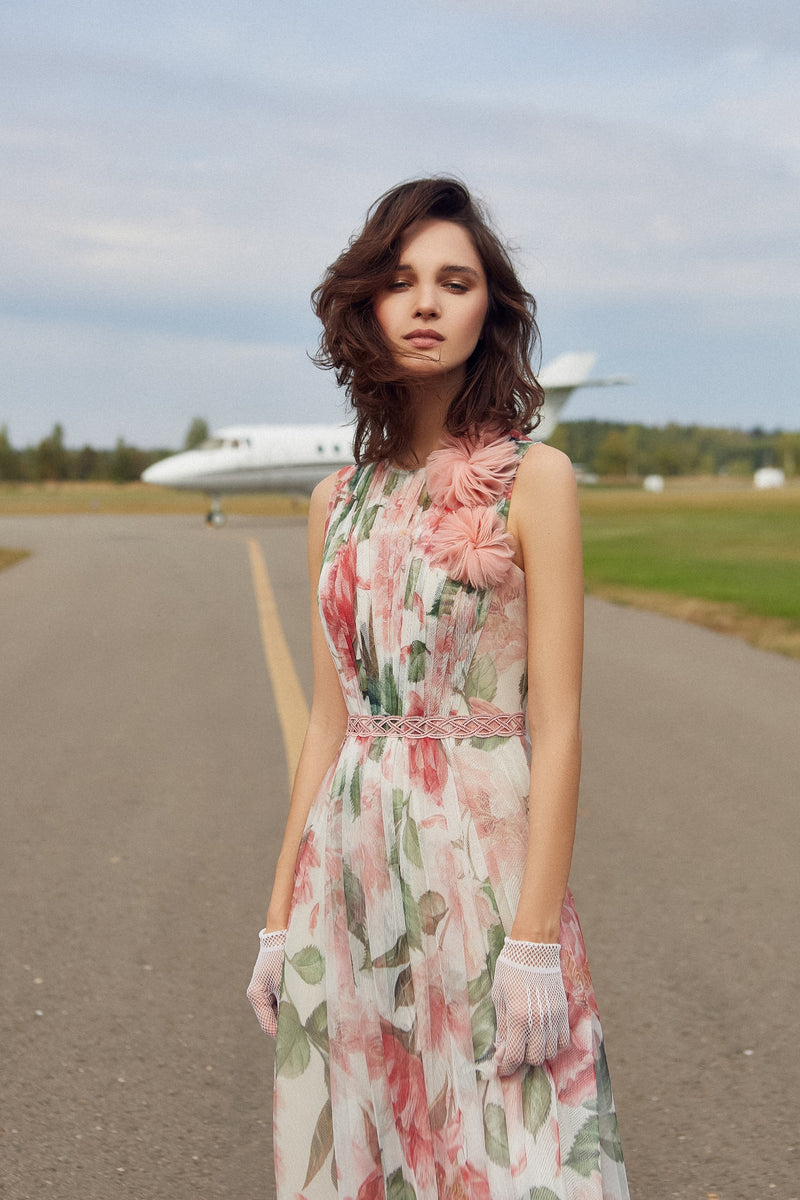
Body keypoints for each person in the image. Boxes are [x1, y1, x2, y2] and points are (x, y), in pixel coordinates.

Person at [247, 178, 629, 1199]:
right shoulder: (333, 499)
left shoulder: (531, 481)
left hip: (486, 860)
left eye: (453, 282)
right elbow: (327, 725)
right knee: (374, 1146)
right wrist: (277, 915)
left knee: (521, 1157)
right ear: (364, 305)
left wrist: (534, 940)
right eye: (401, 280)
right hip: (351, 866)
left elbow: (558, 722)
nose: (425, 303)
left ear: (487, 312)